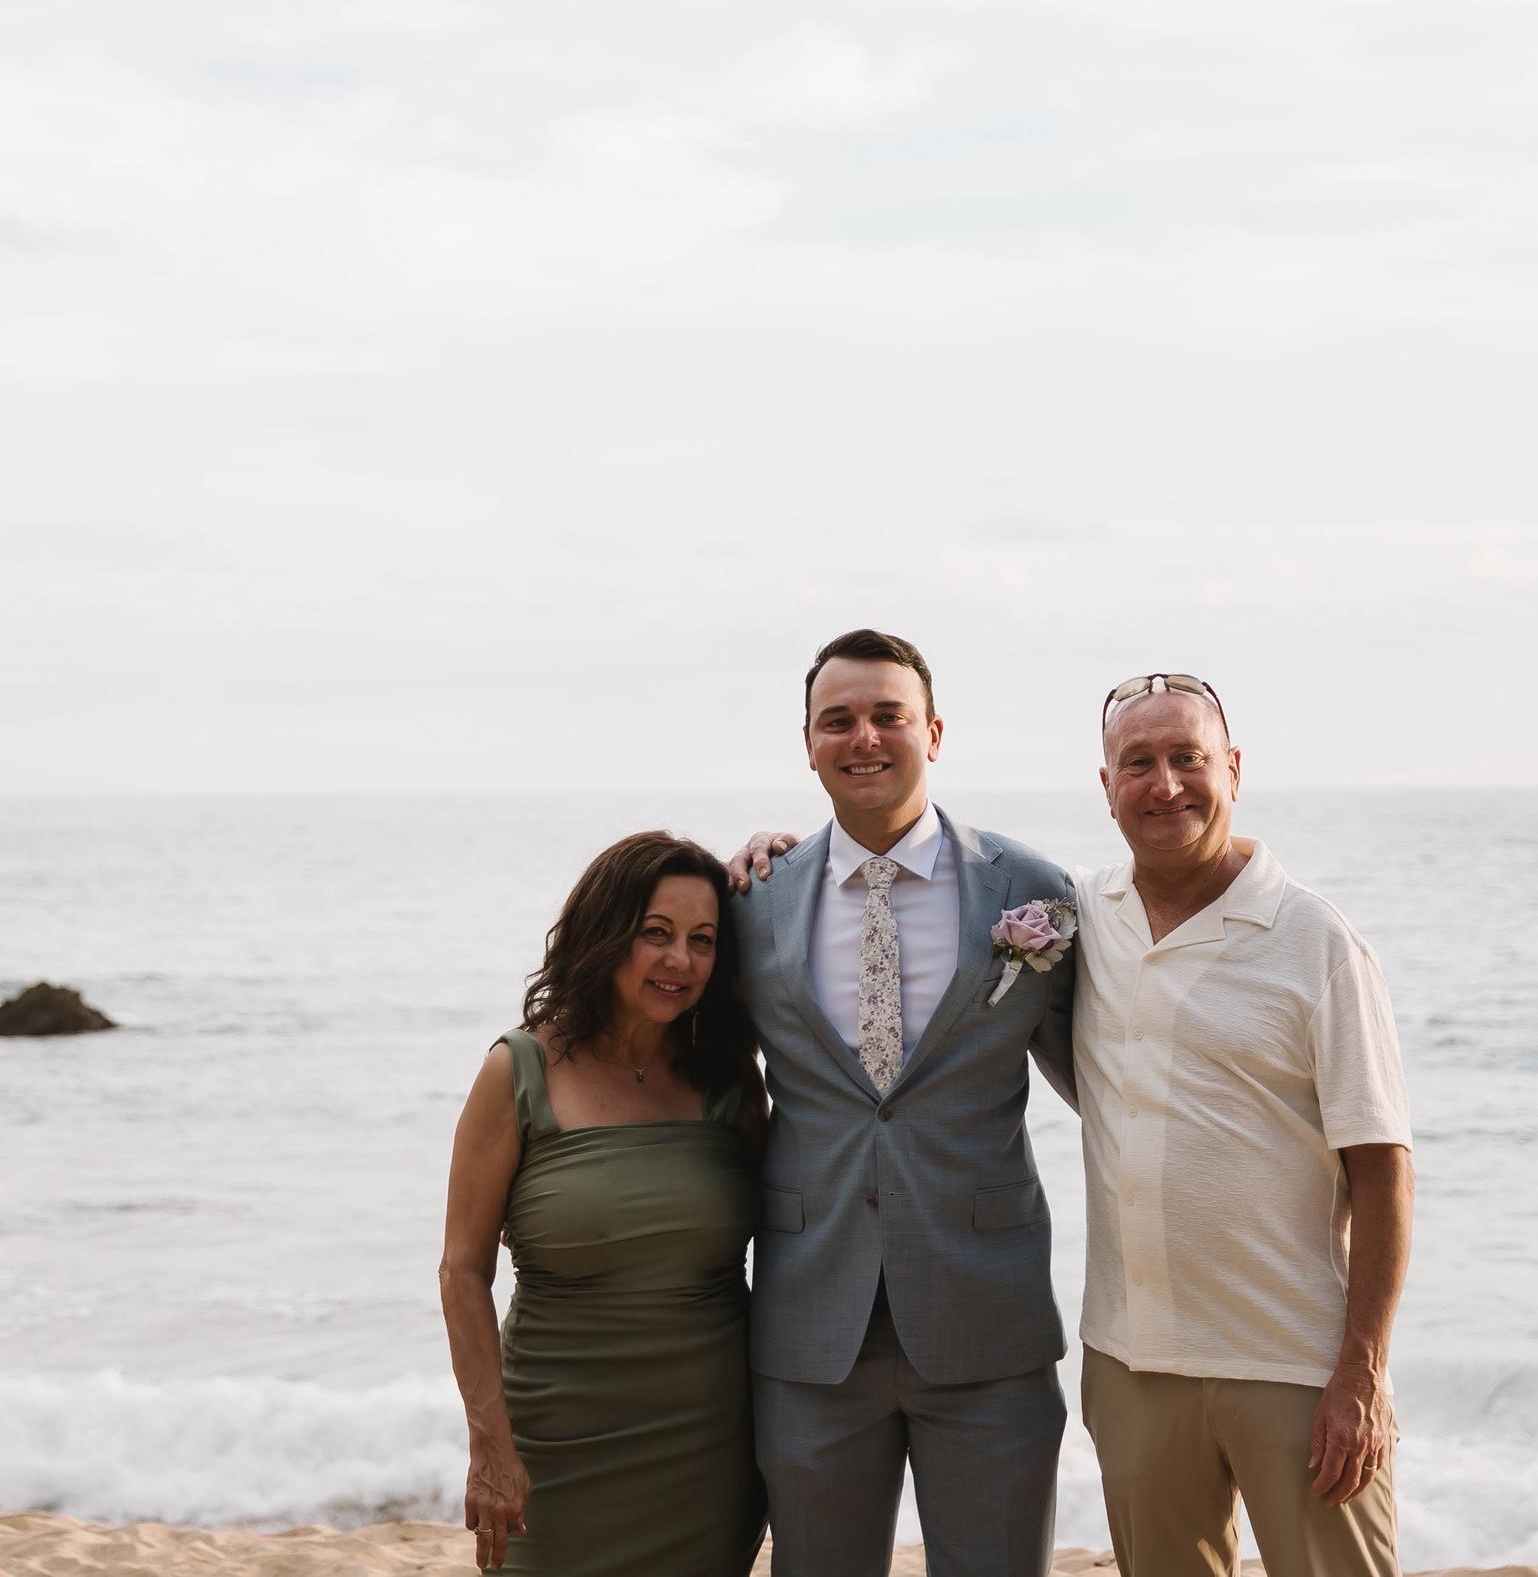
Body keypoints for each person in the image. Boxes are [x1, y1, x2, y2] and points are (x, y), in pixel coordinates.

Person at [730, 628, 1078, 1577]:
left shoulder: (1034, 891)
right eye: (837, 720)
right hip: (811, 1325)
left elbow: (1106, 1074)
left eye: (889, 715)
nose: (865, 737)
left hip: (989, 1318)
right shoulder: (753, 900)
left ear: (934, 731)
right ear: (808, 744)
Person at [1076, 673, 1414, 1577]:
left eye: (1188, 758)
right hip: (1132, 1359)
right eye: (1138, 763)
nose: (1165, 785)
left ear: (1233, 769)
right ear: (1106, 786)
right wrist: (782, 856)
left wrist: (1362, 1371)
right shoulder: (1083, 917)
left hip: (1296, 1363)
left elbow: (1383, 1168)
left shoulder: (1317, 941)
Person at [438, 831, 768, 1576]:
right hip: (552, 1452)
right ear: (605, 933)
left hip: (710, 1455)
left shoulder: (730, 1084)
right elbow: (462, 1270)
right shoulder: (519, 1070)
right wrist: (490, 1445)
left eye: (702, 940)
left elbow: (797, 1232)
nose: (680, 960)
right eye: (656, 933)